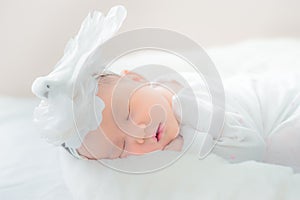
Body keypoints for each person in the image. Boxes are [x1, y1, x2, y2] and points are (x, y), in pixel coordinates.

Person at [63, 68, 300, 172]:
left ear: (136, 79)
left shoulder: (190, 100)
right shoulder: (163, 105)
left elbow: (253, 149)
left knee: (279, 152)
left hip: (287, 100)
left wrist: (189, 145)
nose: (138, 134)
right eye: (122, 147)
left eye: (128, 114)